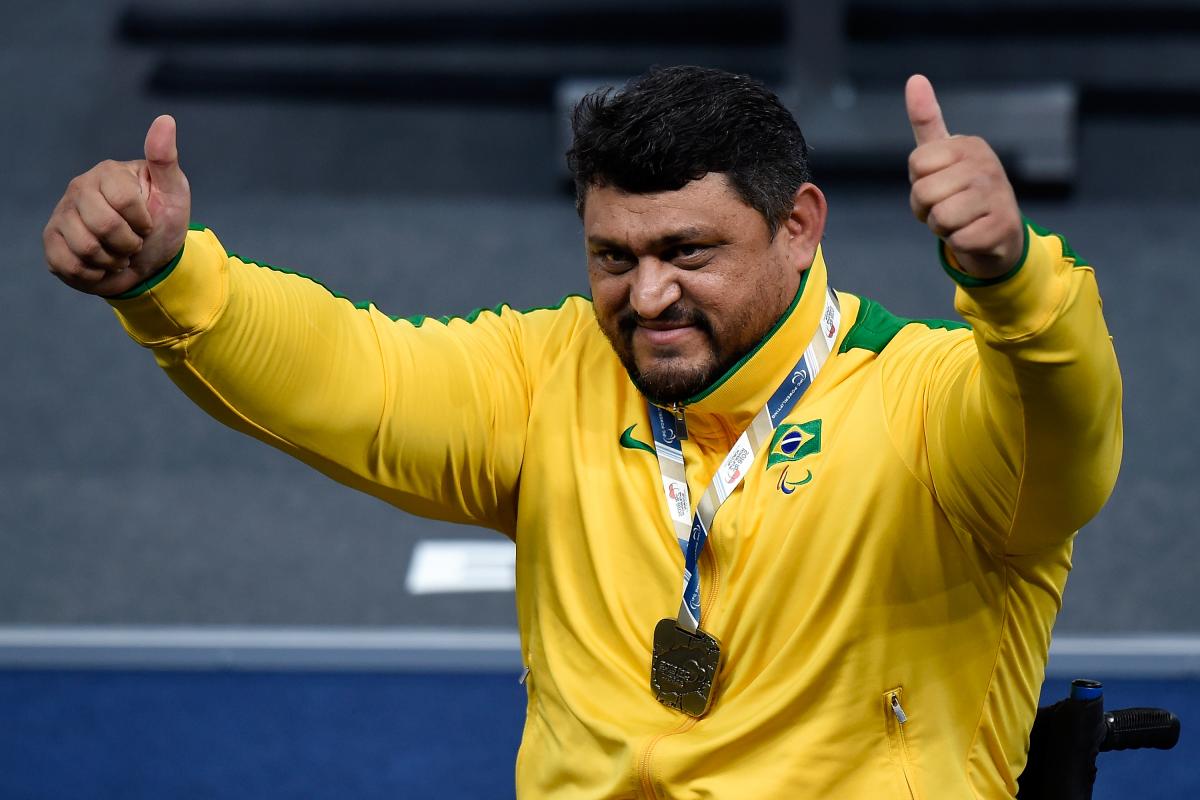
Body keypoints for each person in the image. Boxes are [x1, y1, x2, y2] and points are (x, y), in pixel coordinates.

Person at [43, 66, 1121, 798]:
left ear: (799, 226)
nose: (646, 296)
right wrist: (169, 277)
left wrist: (1012, 277)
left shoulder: (935, 403)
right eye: (613, 254)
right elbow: (349, 375)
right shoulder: (553, 372)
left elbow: (1068, 424)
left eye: (688, 251)